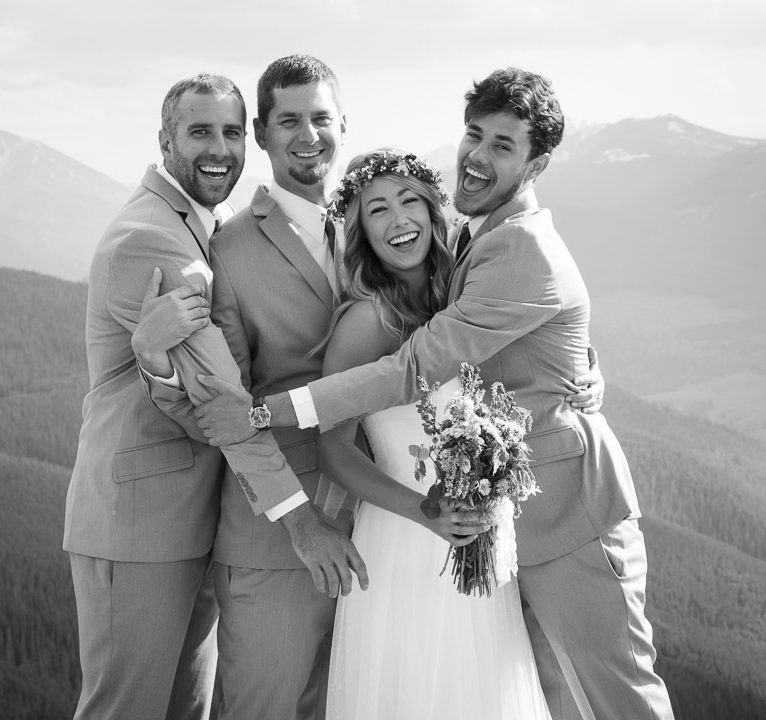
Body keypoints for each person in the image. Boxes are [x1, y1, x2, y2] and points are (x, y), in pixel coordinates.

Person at [194, 68, 674, 720]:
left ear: (537, 162)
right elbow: (367, 415)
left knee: (595, 697)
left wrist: (578, 373)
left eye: (503, 145)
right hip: (417, 540)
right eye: (474, 135)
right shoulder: (385, 297)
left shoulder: (489, 250)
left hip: (545, 529)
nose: (478, 154)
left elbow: (436, 365)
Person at [63, 73, 363, 720]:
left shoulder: (214, 222)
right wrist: (301, 521)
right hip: (141, 518)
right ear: (165, 138)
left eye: (230, 132)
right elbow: (225, 403)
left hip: (198, 514)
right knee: (127, 708)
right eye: (200, 132)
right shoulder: (152, 239)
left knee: (183, 709)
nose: (220, 149)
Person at [317, 148, 553, 719]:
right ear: (361, 233)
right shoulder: (366, 321)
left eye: (408, 202)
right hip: (406, 540)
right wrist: (426, 511)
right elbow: (332, 451)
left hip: (480, 537)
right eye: (377, 211)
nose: (399, 221)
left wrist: (586, 375)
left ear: (431, 210)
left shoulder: (462, 296)